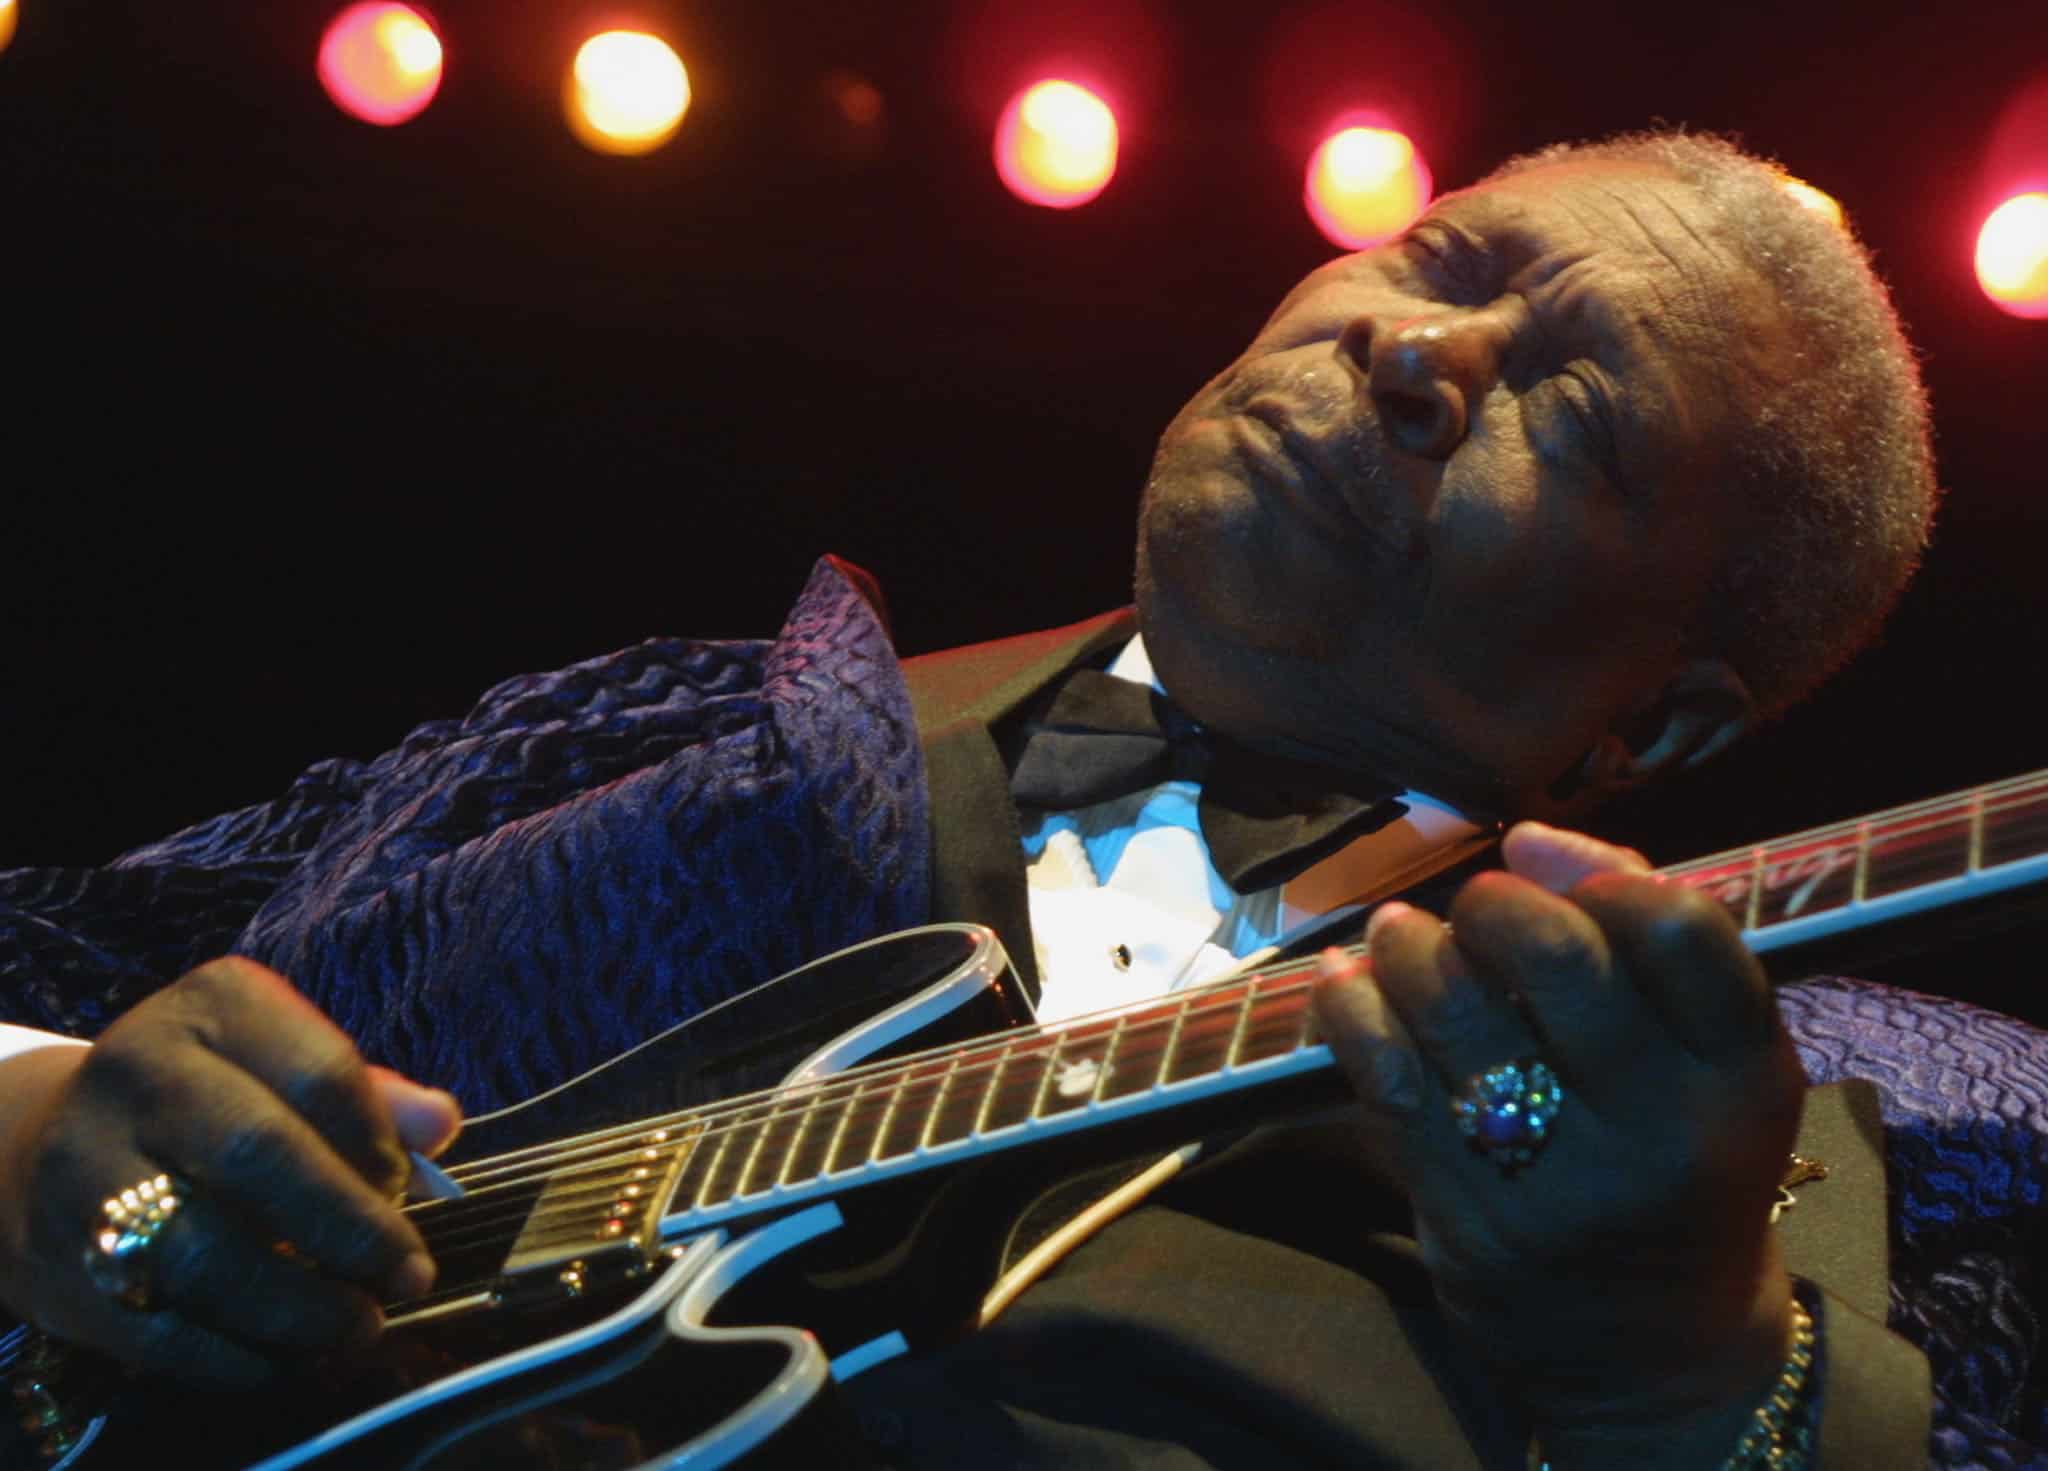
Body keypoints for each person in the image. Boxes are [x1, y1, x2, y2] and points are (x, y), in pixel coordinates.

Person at [0, 127, 1996, 1468]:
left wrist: (1691, 1355)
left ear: (1664, 733)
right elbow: (70, 958)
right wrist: (31, 1138)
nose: (1413, 345)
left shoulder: (1859, 1120)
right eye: (1439, 258)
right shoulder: (656, 716)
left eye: (1574, 401)